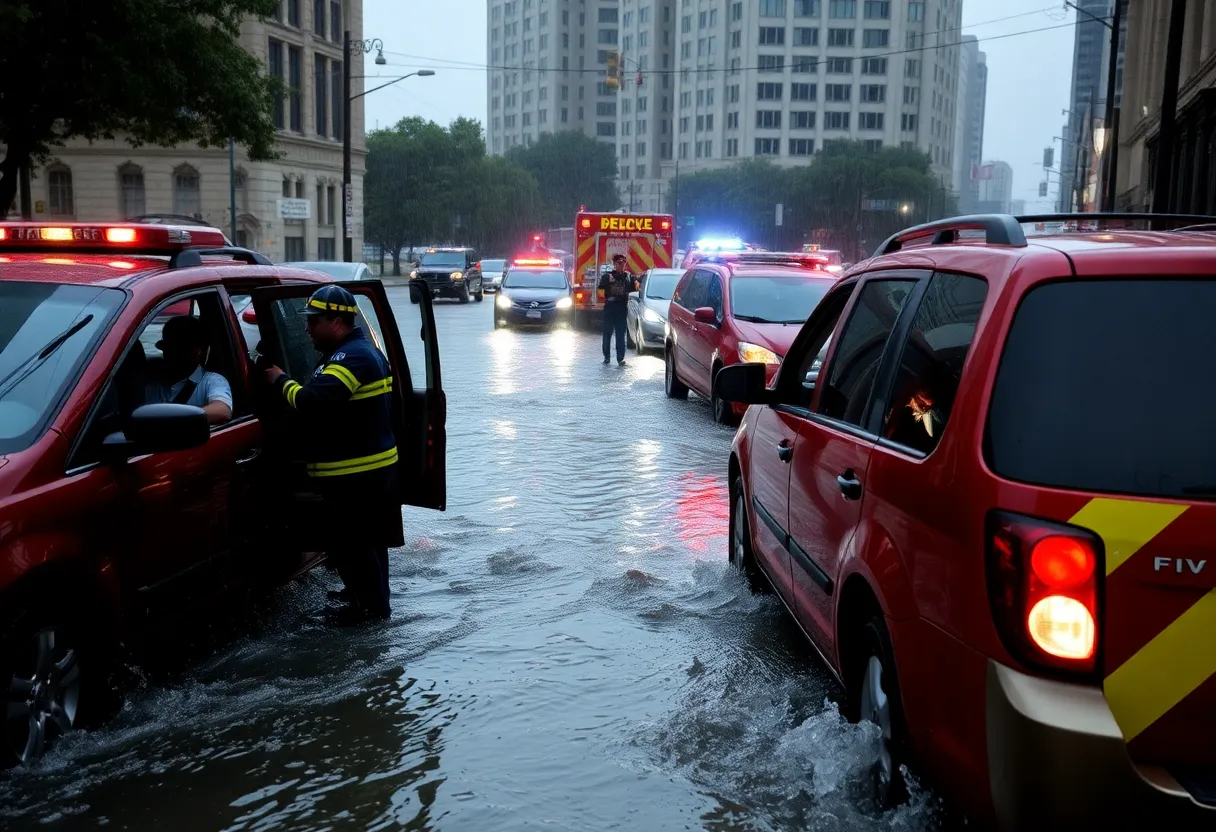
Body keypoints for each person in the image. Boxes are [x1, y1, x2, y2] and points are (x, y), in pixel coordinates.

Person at [259, 285, 401, 625]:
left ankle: (370, 614)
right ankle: (364, 599)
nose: (307, 329)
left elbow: (311, 403)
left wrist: (279, 380)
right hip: (363, 472)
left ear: (336, 321)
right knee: (363, 543)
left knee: (358, 545)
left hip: (357, 475)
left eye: (313, 321)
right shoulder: (355, 352)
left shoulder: (351, 357)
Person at [144, 315, 233, 425]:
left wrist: (174, 418)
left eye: (180, 349)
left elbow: (222, 410)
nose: (172, 354)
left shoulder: (212, 380)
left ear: (198, 350)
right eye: (168, 348)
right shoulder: (152, 380)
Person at [599, 253, 637, 366]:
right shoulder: (608, 276)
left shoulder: (629, 276)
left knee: (621, 334)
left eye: (623, 263)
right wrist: (608, 282)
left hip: (622, 308)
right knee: (607, 334)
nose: (621, 265)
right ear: (614, 264)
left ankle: (620, 358)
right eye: (619, 263)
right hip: (610, 308)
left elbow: (635, 288)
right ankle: (606, 358)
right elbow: (600, 289)